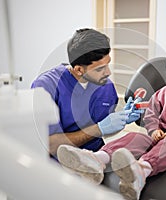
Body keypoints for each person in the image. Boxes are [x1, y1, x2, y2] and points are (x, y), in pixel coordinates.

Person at [57, 44, 166, 200]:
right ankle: (97, 160)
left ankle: (141, 171)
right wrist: (154, 130)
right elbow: (152, 114)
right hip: (158, 139)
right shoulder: (164, 93)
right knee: (135, 137)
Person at [31, 28, 142, 165]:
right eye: (100, 69)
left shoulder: (106, 87)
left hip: (97, 158)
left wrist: (122, 119)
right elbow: (49, 145)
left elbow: (103, 132)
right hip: (60, 163)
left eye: (108, 64)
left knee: (139, 140)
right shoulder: (45, 87)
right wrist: (99, 128)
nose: (108, 73)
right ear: (78, 69)